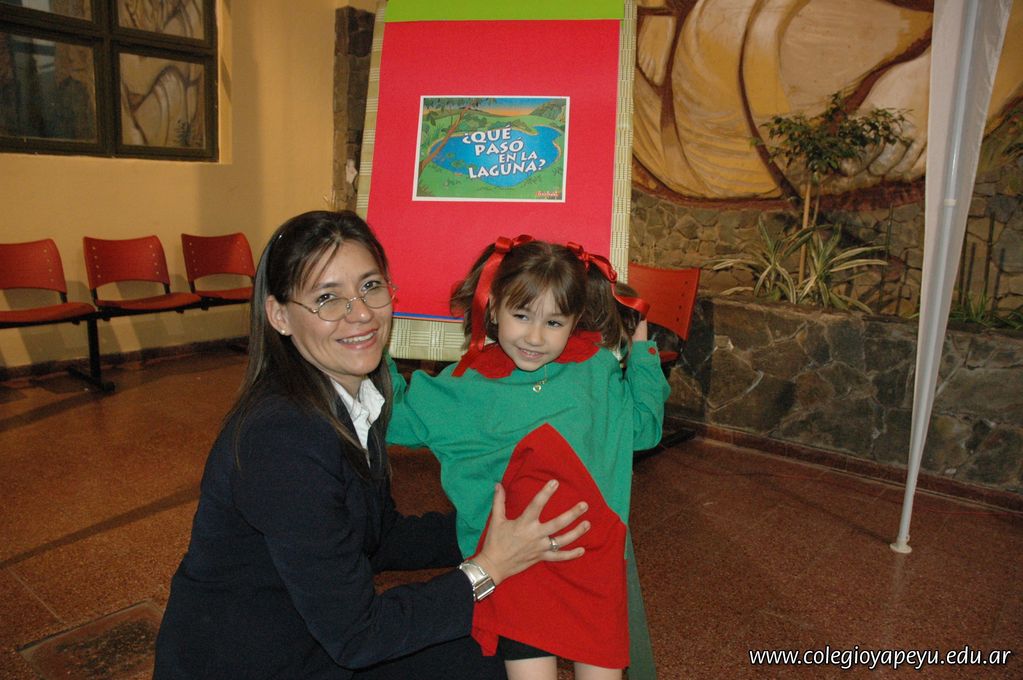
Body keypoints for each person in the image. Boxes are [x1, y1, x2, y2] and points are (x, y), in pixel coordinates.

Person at [153, 211, 592, 680]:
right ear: (279, 315)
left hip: (313, 639)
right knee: (493, 646)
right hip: (258, 663)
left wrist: (495, 528)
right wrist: (489, 566)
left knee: (501, 640)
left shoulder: (355, 399)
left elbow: (378, 536)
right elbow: (358, 635)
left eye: (370, 287)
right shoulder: (281, 438)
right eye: (327, 298)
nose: (361, 313)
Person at [387, 236, 670, 680]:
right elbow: (390, 415)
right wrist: (371, 350)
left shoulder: (594, 370)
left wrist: (641, 353)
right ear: (493, 307)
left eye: (554, 322)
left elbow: (642, 428)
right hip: (517, 570)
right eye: (521, 316)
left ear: (575, 320)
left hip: (591, 567)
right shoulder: (465, 386)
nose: (535, 338)